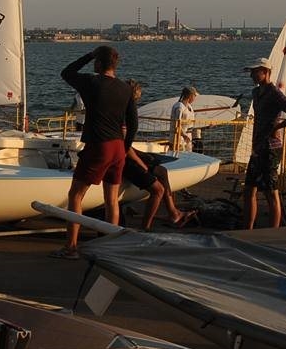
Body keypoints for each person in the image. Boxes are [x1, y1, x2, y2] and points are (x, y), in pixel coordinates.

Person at [51, 46, 137, 259]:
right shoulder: (126, 89)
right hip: (118, 147)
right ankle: (110, 249)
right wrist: (125, 148)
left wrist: (89, 55)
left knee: (76, 195)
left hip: (99, 146)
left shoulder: (91, 82)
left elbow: (66, 72)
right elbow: (133, 124)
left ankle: (71, 247)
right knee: (112, 200)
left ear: (98, 63)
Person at [124, 81, 196, 230]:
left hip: (127, 153)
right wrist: (141, 161)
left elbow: (126, 144)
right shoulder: (124, 114)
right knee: (158, 190)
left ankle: (173, 213)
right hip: (123, 159)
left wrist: (143, 155)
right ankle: (146, 228)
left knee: (162, 171)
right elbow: (123, 146)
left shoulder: (127, 111)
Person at [242, 57, 286, 229]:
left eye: (255, 72)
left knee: (270, 192)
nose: (252, 75)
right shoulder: (256, 92)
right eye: (251, 72)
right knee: (249, 190)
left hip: (270, 148)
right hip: (258, 147)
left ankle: (273, 233)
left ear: (266, 72)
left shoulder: (274, 93)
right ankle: (248, 229)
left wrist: (278, 126)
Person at [169, 85, 198, 151]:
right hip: (178, 138)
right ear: (190, 96)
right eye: (194, 96)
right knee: (178, 153)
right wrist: (184, 135)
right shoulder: (179, 107)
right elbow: (176, 123)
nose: (195, 98)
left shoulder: (189, 106)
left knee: (188, 155)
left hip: (187, 138)